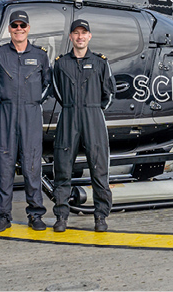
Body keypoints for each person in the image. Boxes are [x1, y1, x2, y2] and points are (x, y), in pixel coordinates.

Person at [0, 10, 51, 232]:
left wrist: (33, 102)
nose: (19, 29)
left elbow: (47, 84)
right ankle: (3, 216)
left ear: (28, 28)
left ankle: (35, 214)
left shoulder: (41, 55)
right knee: (4, 166)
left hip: (31, 114)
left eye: (22, 25)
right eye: (15, 25)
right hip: (6, 113)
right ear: (9, 29)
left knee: (32, 166)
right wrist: (5, 103)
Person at [51, 19, 116, 232]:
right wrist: (72, 107)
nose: (80, 37)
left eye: (84, 33)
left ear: (89, 36)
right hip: (68, 116)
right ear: (70, 36)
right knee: (62, 169)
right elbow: (58, 93)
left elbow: (109, 93)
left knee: (99, 169)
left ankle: (100, 217)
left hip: (93, 117)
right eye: (76, 33)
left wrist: (94, 110)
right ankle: (61, 216)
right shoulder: (60, 64)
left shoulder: (100, 63)